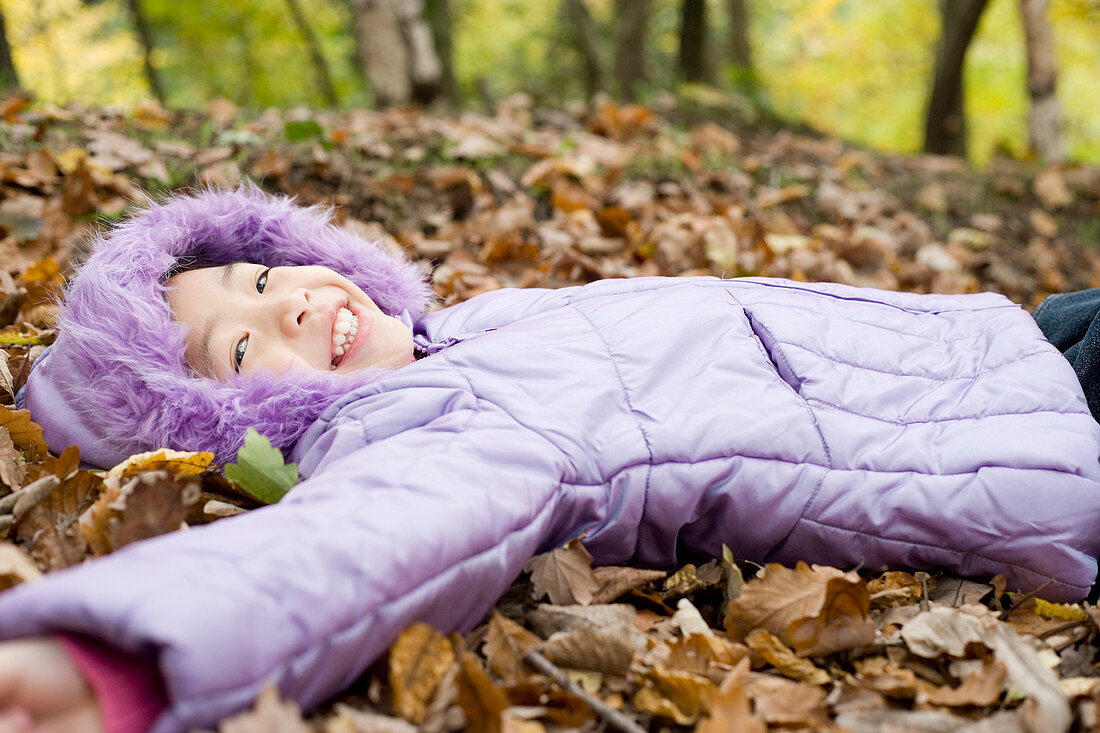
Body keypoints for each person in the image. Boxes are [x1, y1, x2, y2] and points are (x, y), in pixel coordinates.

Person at [1, 186, 1099, 733]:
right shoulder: (429, 436)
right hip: (1048, 431)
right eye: (241, 349)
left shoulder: (470, 329)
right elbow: (353, 547)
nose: (288, 302)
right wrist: (116, 659)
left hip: (1016, 339)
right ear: (220, 433)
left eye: (256, 278)